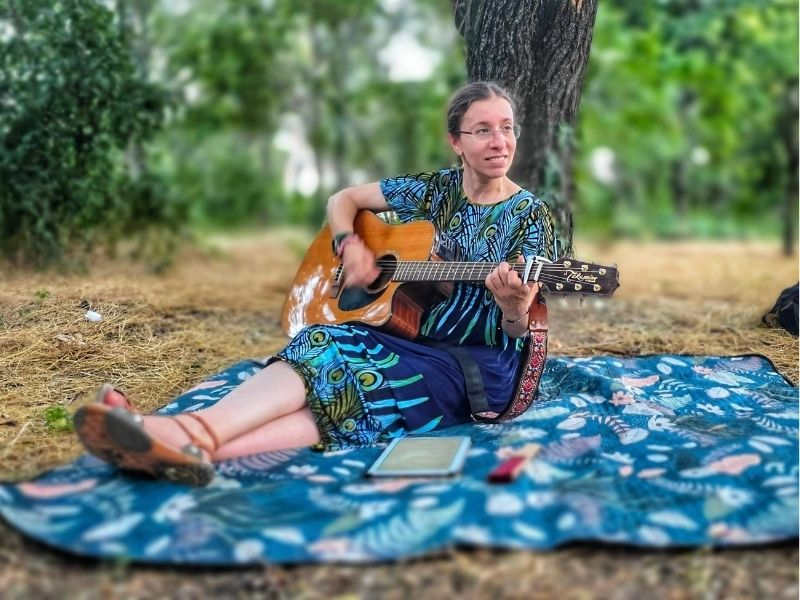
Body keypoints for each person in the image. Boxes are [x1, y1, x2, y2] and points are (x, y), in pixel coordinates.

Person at [75, 81, 556, 486]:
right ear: (456, 141)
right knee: (321, 342)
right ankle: (189, 445)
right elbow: (342, 199)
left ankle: (178, 433)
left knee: (354, 379)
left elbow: (518, 330)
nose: (500, 141)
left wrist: (513, 307)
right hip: (407, 334)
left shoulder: (530, 215)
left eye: (507, 128)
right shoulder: (435, 188)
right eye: (483, 130)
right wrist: (350, 245)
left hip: (475, 365)